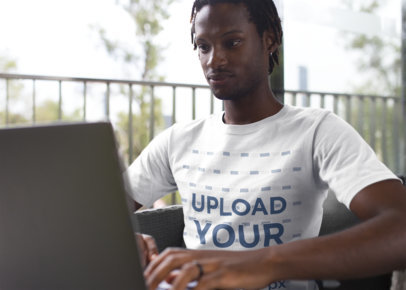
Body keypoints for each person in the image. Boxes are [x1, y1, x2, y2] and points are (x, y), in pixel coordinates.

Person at [127, 0, 406, 289]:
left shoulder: (316, 131)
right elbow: (93, 214)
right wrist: (123, 241)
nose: (214, 60)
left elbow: (400, 228)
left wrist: (263, 263)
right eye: (203, 46)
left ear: (269, 38)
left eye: (232, 42)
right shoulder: (178, 140)